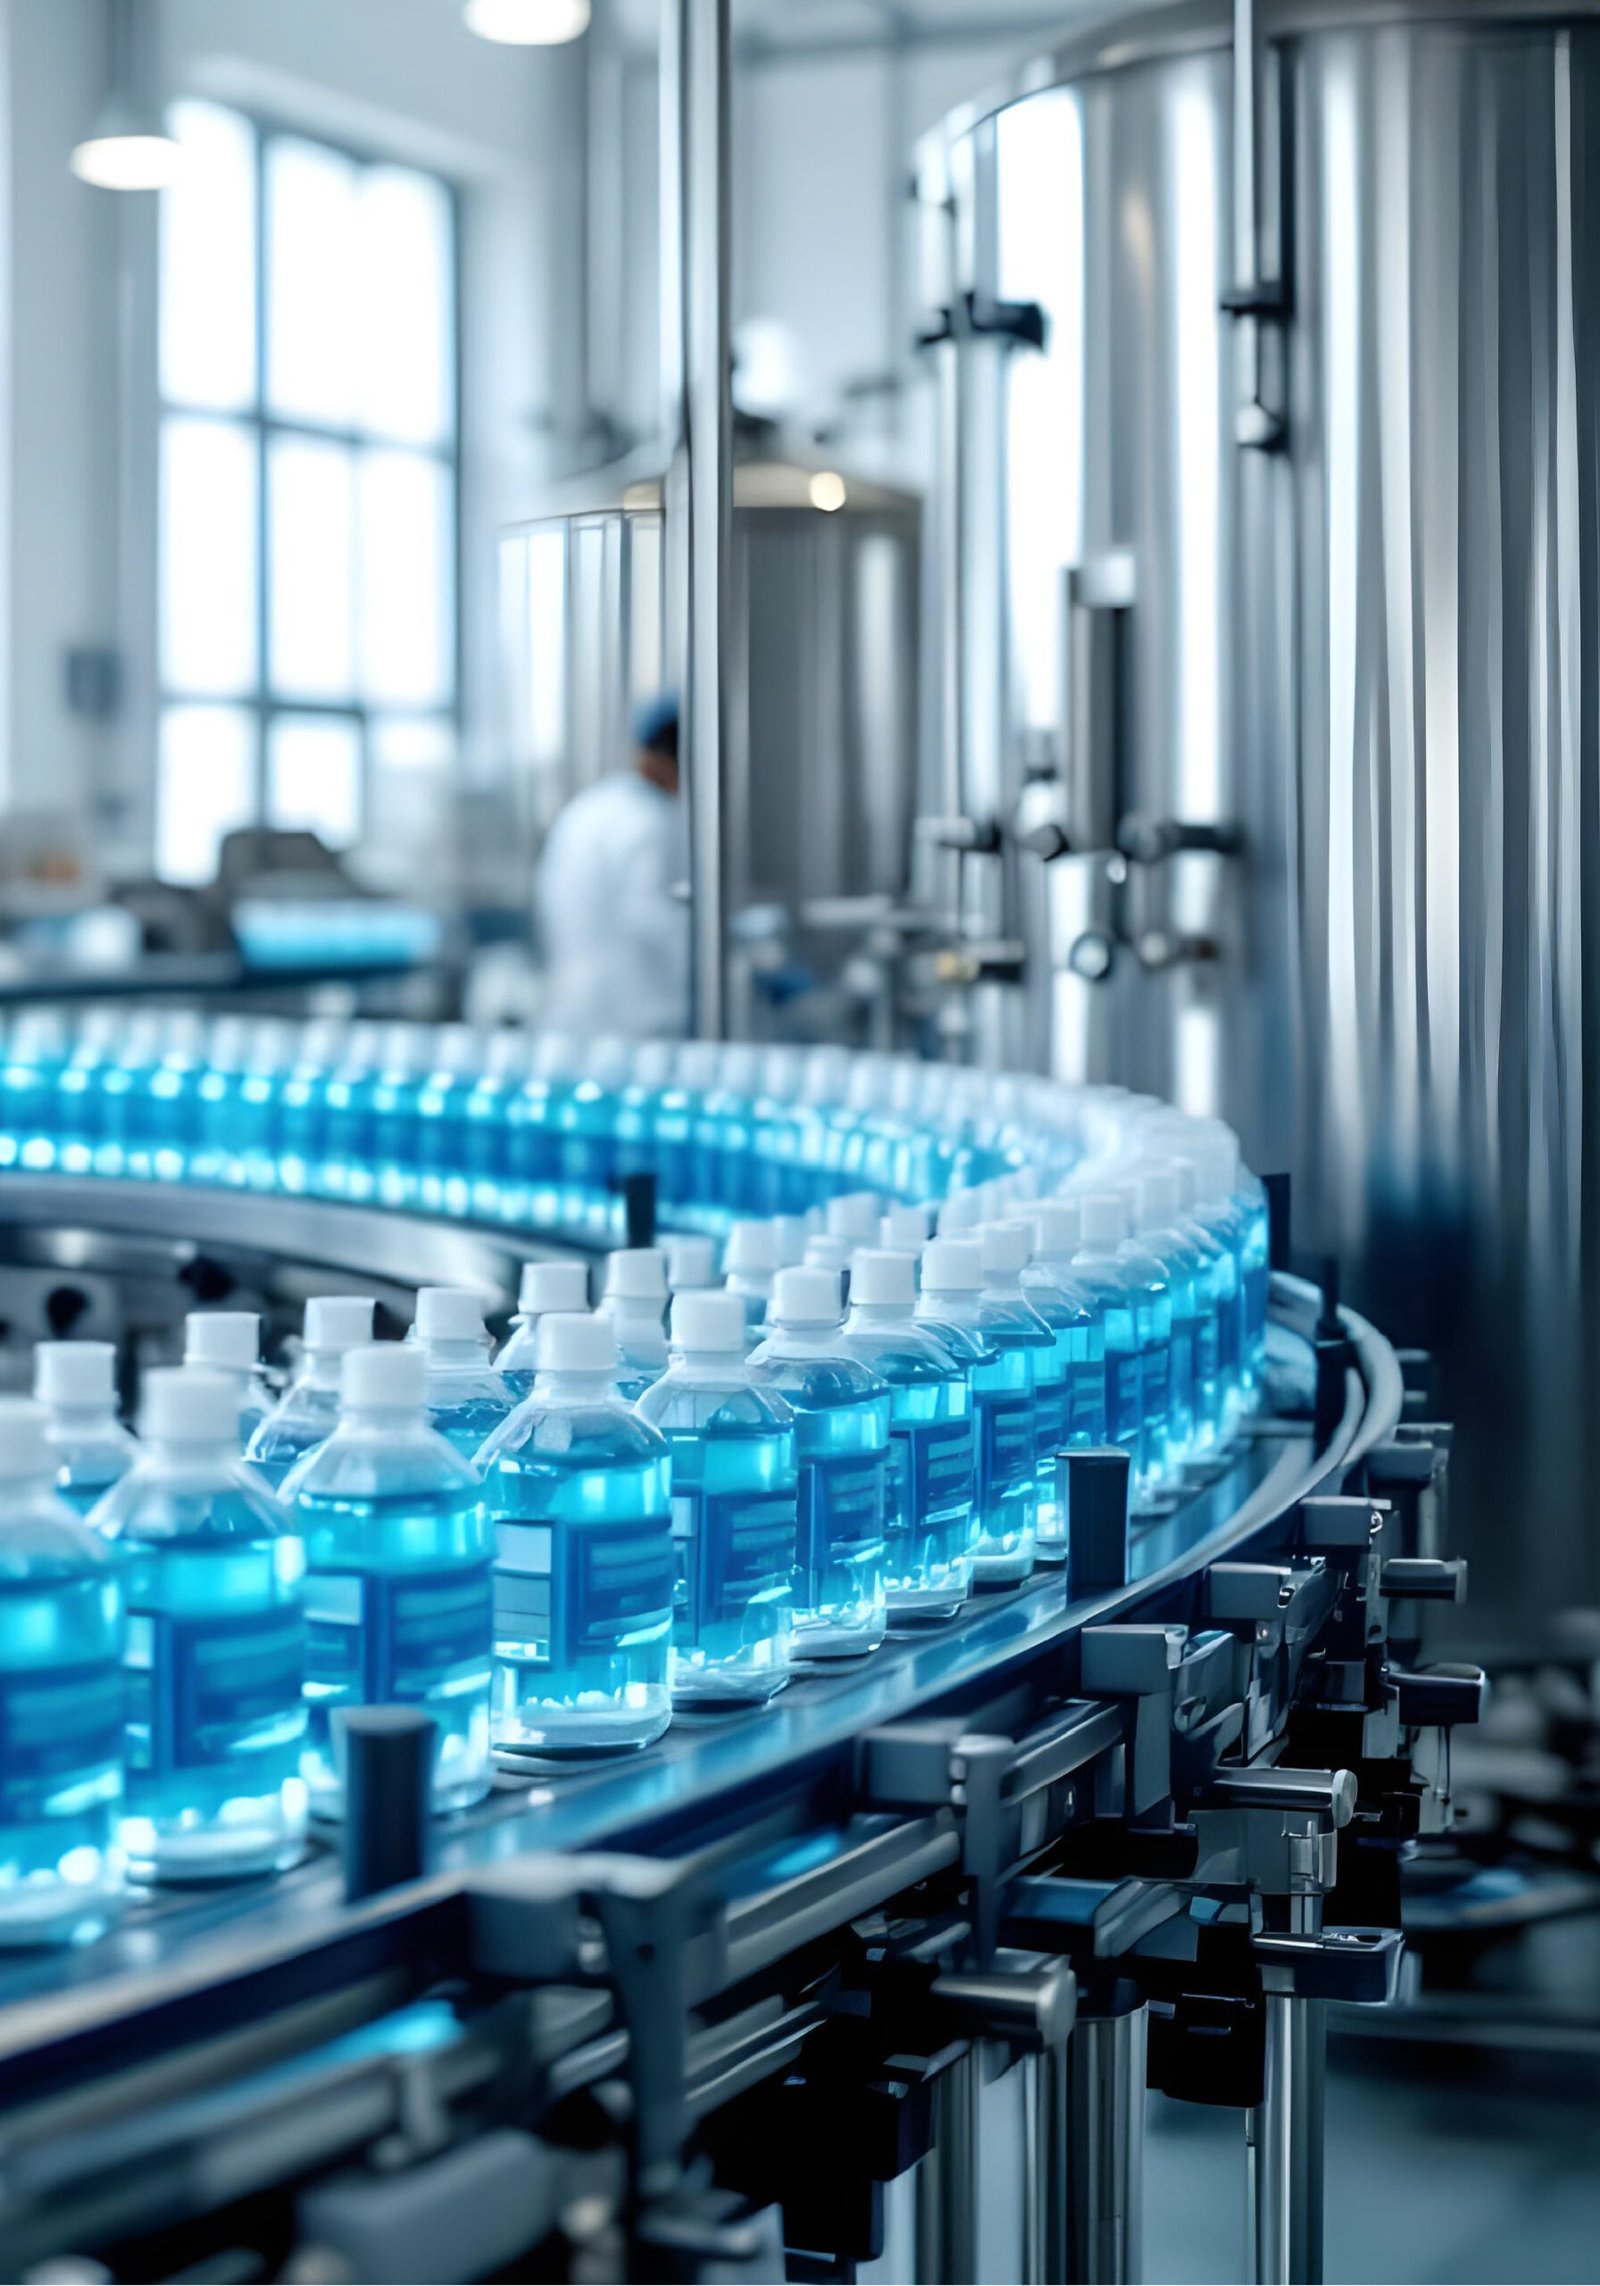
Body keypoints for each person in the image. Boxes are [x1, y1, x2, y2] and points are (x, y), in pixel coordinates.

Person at [535, 694, 690, 1039]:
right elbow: (652, 918)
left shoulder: (589, 809)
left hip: (575, 1009)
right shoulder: (650, 822)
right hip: (633, 1017)